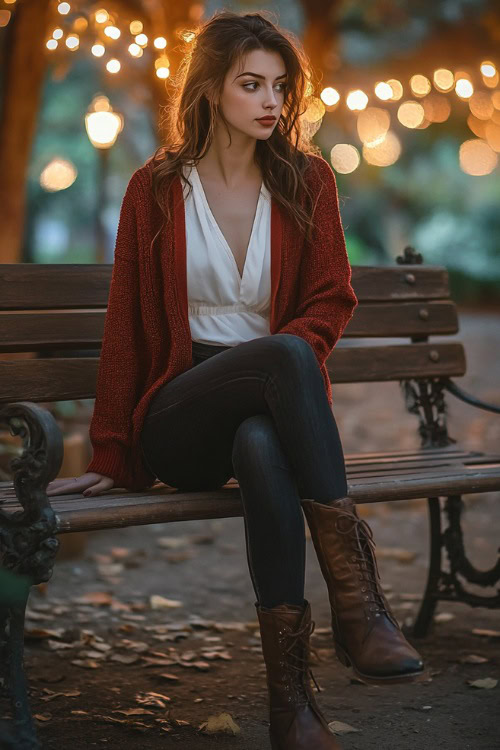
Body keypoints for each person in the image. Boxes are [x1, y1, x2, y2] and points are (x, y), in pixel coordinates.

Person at [46, 10, 424, 749]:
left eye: (280, 87)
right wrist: (114, 454)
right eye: (251, 85)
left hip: (269, 407)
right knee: (284, 356)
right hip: (179, 413)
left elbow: (330, 298)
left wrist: (288, 357)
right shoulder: (155, 189)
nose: (270, 102)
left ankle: (293, 707)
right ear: (212, 89)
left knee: (260, 440)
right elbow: (125, 327)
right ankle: (360, 609)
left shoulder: (306, 180)